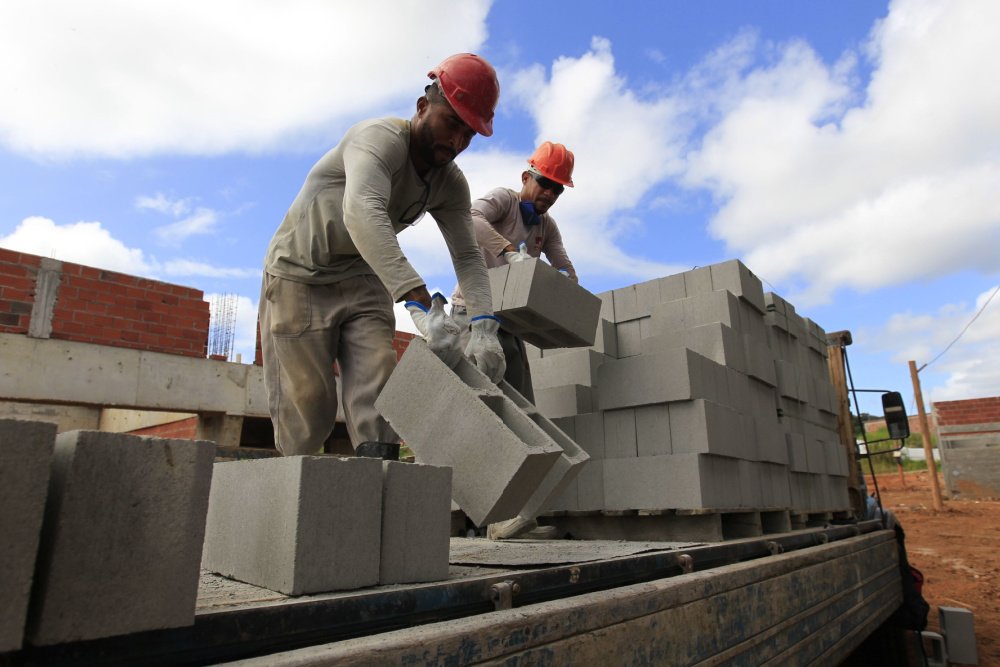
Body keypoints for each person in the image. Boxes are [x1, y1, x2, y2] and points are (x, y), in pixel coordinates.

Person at [259, 53, 506, 457]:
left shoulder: (450, 184)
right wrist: (420, 302)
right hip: (300, 275)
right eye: (452, 124)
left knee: (378, 389)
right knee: (308, 405)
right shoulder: (377, 140)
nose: (458, 142)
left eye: (469, 134)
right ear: (423, 107)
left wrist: (484, 327)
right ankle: (296, 499)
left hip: (365, 275)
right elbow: (362, 213)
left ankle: (377, 495)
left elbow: (468, 255)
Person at [452, 141, 578, 403]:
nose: (550, 194)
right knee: (472, 397)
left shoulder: (547, 226)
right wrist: (508, 250)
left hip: (509, 319)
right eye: (545, 183)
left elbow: (564, 266)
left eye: (558, 190)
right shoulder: (505, 201)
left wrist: (564, 283)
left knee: (519, 404)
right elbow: (469, 217)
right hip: (472, 310)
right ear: (526, 177)